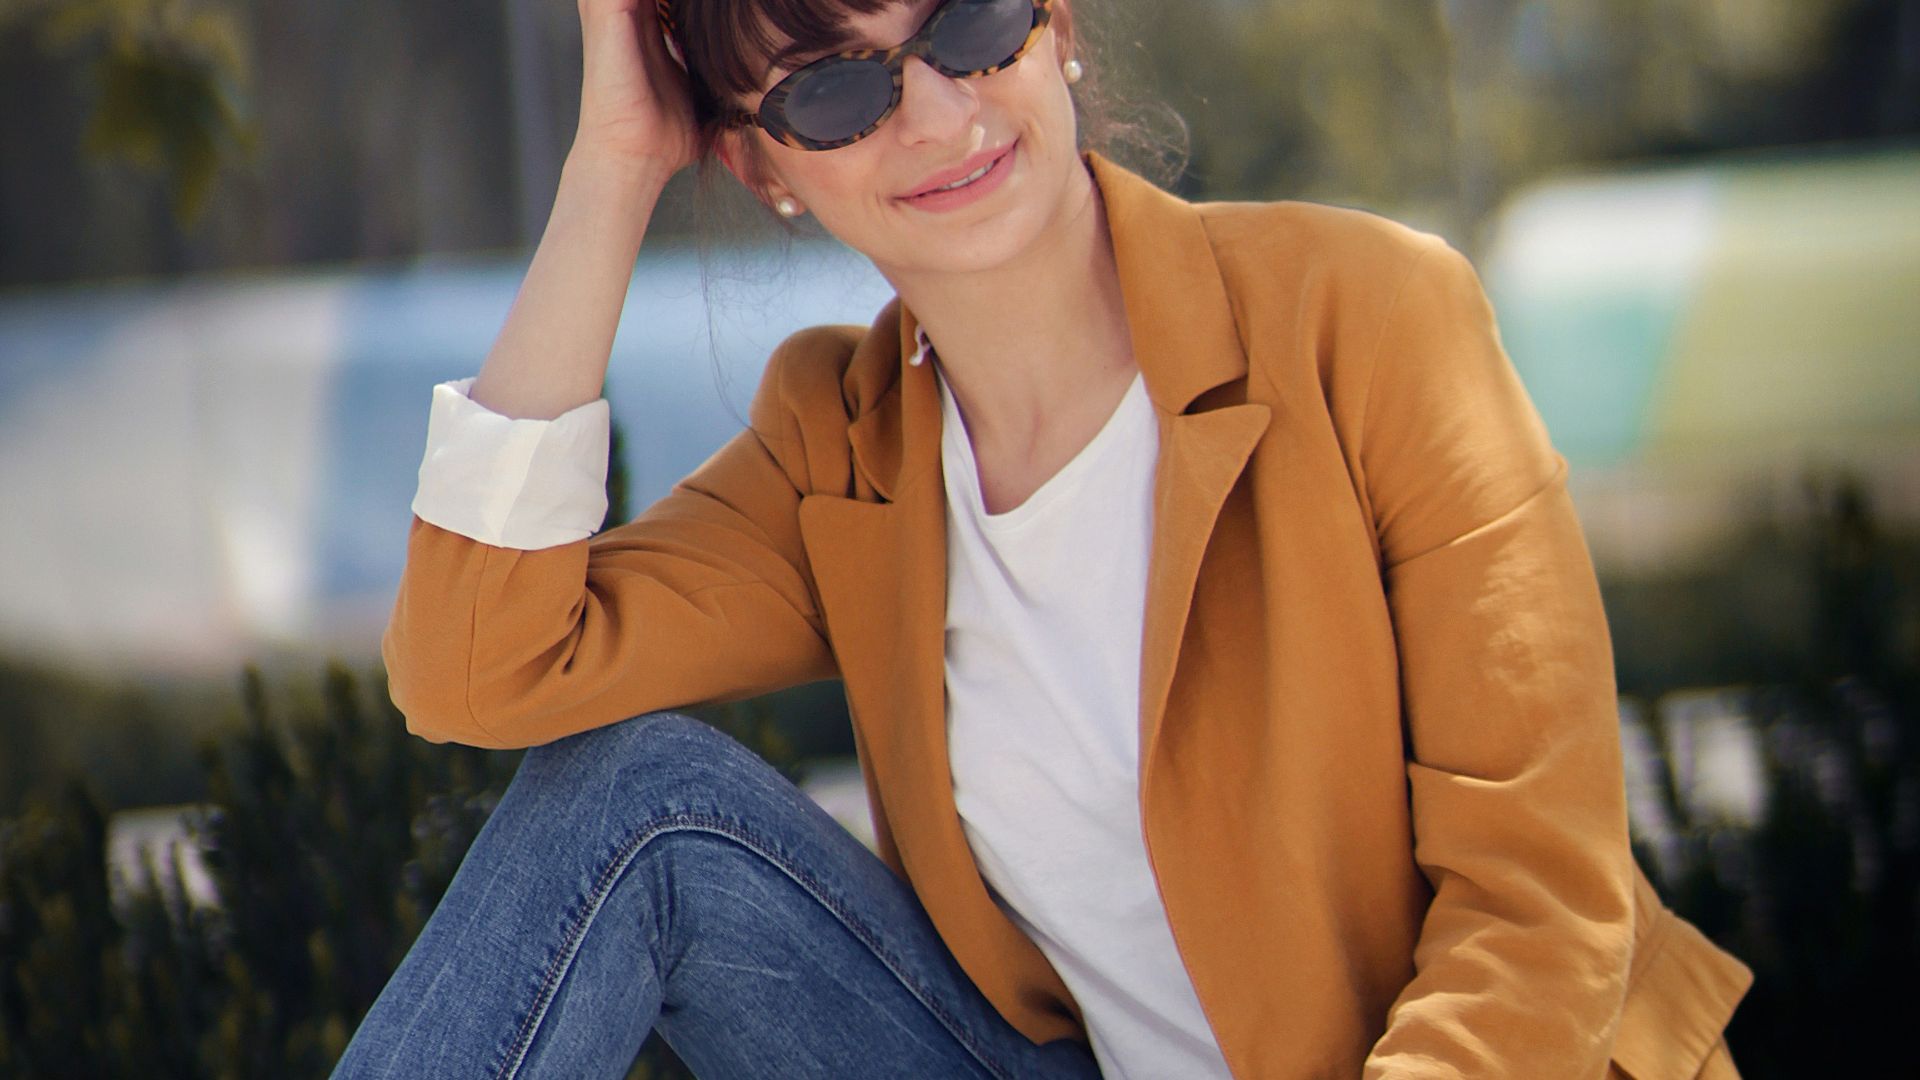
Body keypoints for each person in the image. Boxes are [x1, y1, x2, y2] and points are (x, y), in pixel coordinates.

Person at [333, 0, 1755, 1076]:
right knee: (627, 802)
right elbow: (476, 668)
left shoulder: (1369, 321)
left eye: (972, 25)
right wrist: (612, 162)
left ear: (1055, 25)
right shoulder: (841, 448)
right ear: (764, 167)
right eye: (834, 92)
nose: (943, 116)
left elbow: (1539, 915)